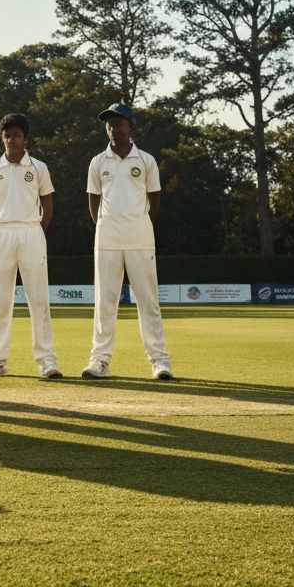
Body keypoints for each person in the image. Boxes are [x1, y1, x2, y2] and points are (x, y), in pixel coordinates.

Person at [83, 103, 173, 381]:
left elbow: (154, 200)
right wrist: (107, 227)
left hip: (140, 239)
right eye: (109, 125)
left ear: (131, 128)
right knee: (105, 303)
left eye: (119, 124)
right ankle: (99, 362)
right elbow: (93, 202)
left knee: (148, 301)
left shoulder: (146, 161)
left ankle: (160, 362)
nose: (114, 129)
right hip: (107, 239)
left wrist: (139, 224)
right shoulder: (98, 162)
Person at [0, 113, 61, 379]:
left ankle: (47, 360)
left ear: (25, 138)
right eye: (7, 135)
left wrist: (36, 229)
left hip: (31, 232)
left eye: (16, 135)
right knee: (1, 301)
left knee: (38, 299)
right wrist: (0, 231)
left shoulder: (39, 168)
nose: (11, 140)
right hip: (2, 232)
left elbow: (47, 205)